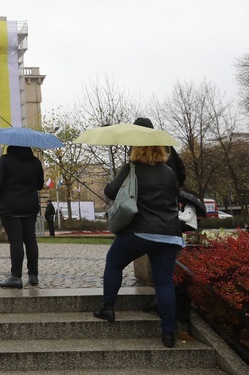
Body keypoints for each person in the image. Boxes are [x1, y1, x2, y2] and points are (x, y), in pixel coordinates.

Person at [93, 144, 182, 348]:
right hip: (169, 233)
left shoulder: (131, 168)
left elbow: (110, 191)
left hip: (140, 230)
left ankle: (108, 307)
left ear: (136, 149)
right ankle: (168, 333)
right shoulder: (169, 173)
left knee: (114, 262)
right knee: (164, 282)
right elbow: (174, 195)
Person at [0, 145, 44, 289]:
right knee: (30, 240)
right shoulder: (35, 162)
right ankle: (33, 275)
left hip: (10, 206)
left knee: (16, 241)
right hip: (30, 206)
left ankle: (16, 276)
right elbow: (40, 185)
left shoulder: (5, 161)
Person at [133, 117, 186, 187]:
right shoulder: (167, 146)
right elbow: (181, 169)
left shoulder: (136, 152)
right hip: (171, 193)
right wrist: (176, 188)